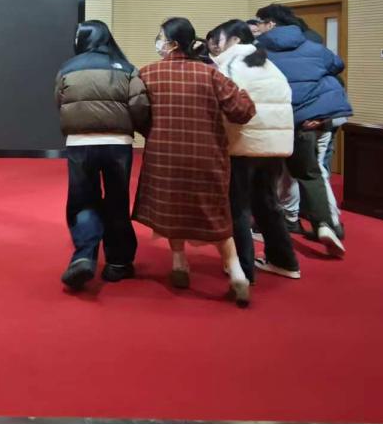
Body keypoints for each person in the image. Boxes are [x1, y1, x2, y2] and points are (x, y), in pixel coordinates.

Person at [133, 17, 257, 307]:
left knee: (173, 208)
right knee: (215, 213)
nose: (158, 41)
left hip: (164, 157)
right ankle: (237, 273)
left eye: (161, 36)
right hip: (206, 156)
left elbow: (137, 114)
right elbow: (242, 112)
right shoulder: (210, 74)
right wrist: (245, 93)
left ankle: (179, 263)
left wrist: (154, 132)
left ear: (173, 43)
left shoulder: (148, 73)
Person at [55, 21, 149, 290]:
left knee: (83, 201)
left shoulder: (67, 68)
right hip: (118, 144)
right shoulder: (126, 68)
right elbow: (139, 104)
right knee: (117, 200)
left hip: (80, 144)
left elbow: (59, 102)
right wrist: (141, 129)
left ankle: (84, 255)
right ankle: (118, 263)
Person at [255, 7, 352, 257]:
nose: (258, 27)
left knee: (268, 178)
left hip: (274, 123)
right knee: (310, 174)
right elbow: (337, 66)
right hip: (306, 122)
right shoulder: (314, 47)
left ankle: (272, 229)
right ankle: (324, 224)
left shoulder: (259, 51)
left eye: (260, 22)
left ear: (271, 24)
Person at [207, 20, 300, 282]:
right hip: (275, 147)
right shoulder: (269, 65)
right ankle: (285, 261)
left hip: (243, 146)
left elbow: (226, 106)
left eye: (219, 39)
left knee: (237, 209)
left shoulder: (229, 66)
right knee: (268, 204)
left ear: (235, 39)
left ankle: (243, 269)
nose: (215, 46)